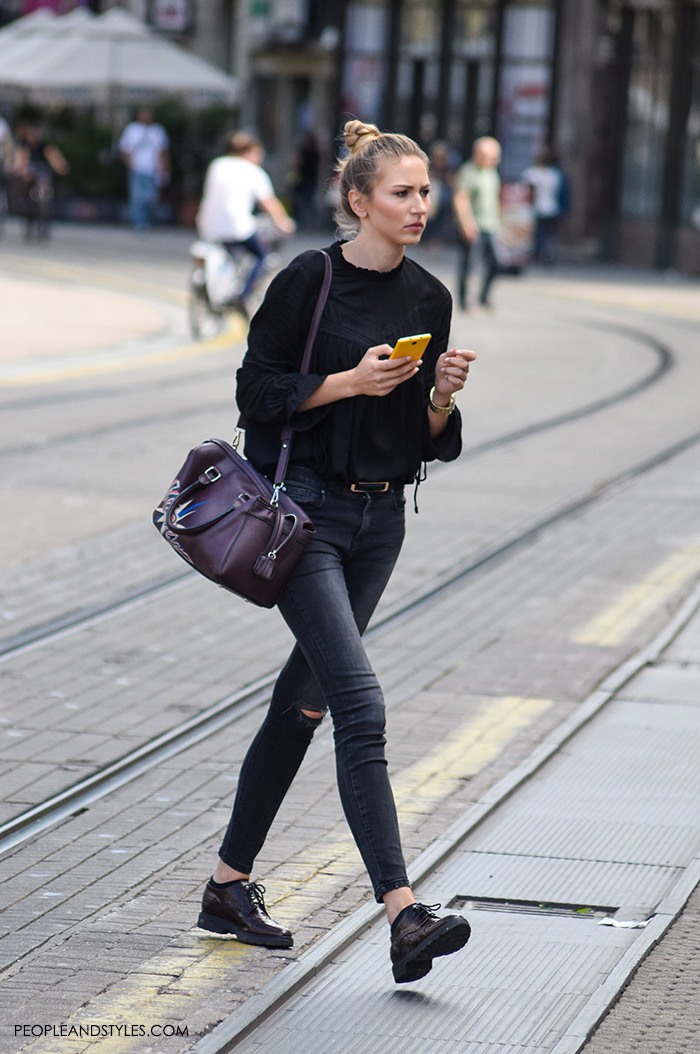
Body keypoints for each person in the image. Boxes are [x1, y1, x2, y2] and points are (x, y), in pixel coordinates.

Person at [196, 119, 476, 984]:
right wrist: (348, 381)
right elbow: (256, 396)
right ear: (359, 202)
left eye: (425, 191)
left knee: (304, 702)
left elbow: (425, 442)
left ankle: (226, 887)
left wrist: (438, 401)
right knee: (360, 702)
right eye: (403, 193)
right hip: (304, 519)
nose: (420, 205)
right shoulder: (307, 281)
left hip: (379, 523)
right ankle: (403, 911)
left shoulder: (430, 297)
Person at [196, 131, 296, 313]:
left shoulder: (217, 165)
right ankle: (242, 296)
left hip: (208, 225)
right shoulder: (253, 171)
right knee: (261, 255)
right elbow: (270, 203)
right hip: (236, 227)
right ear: (250, 152)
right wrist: (284, 223)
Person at [453, 135, 502, 310]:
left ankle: (484, 297)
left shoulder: (491, 172)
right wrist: (466, 224)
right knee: (469, 265)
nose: (494, 160)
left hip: (491, 225)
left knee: (497, 263)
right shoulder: (468, 171)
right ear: (478, 154)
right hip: (474, 225)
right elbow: (461, 199)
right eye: (491, 157)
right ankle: (464, 301)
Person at [14, 122, 69, 242]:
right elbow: (20, 162)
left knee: (45, 195)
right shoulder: (24, 148)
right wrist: (21, 170)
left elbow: (56, 159)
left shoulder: (45, 147)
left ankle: (44, 225)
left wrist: (60, 167)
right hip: (29, 176)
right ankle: (26, 214)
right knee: (26, 190)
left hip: (42, 176)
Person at [118, 107, 170, 231]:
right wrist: (130, 164)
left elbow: (163, 151)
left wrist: (164, 168)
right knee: (137, 198)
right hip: (137, 169)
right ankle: (140, 223)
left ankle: (145, 220)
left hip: (152, 170)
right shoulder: (132, 129)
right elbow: (124, 148)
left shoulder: (157, 130)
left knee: (150, 198)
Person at [521, 148, 569, 264]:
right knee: (548, 234)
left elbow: (526, 192)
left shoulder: (531, 174)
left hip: (537, 209)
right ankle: (546, 253)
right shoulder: (554, 175)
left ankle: (542, 254)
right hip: (551, 208)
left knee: (539, 234)